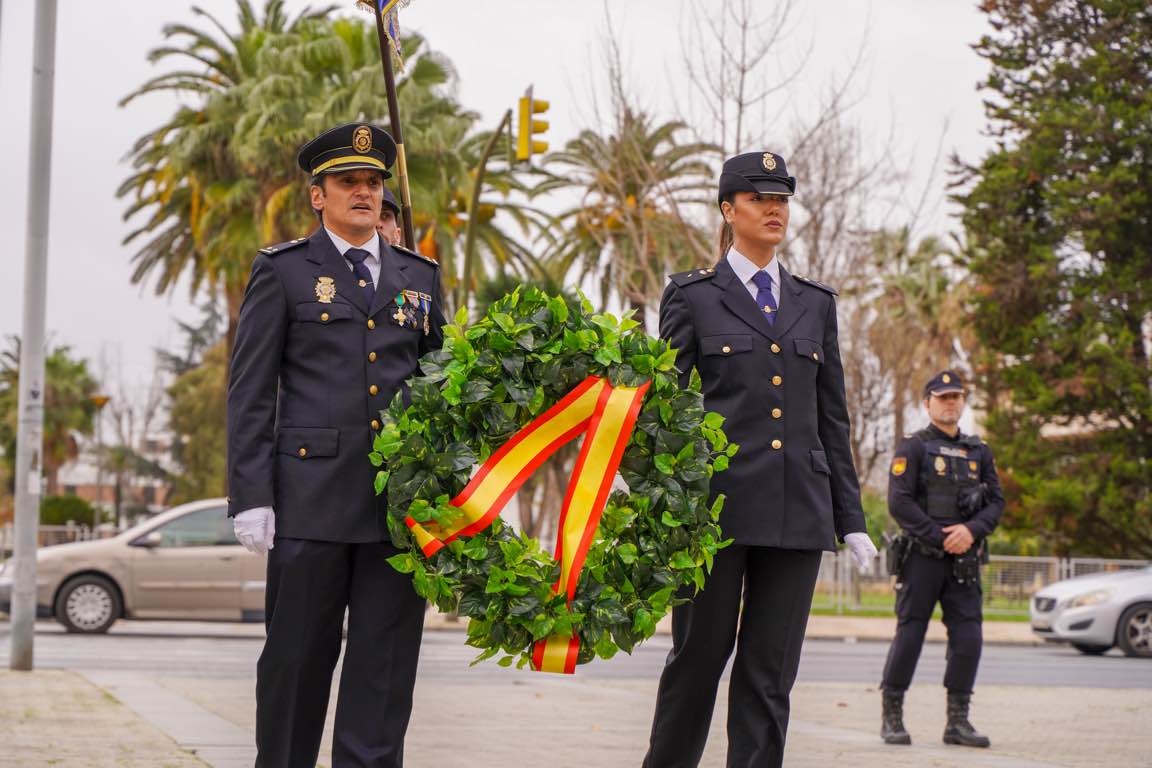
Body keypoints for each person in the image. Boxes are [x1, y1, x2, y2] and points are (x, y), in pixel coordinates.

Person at [643, 151, 878, 768]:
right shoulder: (692, 298)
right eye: (758, 198)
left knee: (769, 678)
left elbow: (832, 417)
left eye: (782, 199)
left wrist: (849, 518)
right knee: (697, 663)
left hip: (798, 513)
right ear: (728, 210)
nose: (775, 209)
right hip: (714, 515)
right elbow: (666, 411)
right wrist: (663, 510)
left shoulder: (815, 303)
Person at [227, 122, 446, 767]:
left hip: (396, 511)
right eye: (348, 182)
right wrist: (251, 495)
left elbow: (440, 387)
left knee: (383, 674)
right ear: (317, 195)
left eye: (374, 182)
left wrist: (445, 488)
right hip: (309, 504)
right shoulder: (285, 271)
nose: (364, 193)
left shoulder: (420, 277)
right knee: (296, 664)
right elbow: (250, 391)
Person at [879, 370, 1004, 749]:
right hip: (922, 557)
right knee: (910, 635)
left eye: (956, 396)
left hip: (964, 559)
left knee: (969, 639)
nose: (950, 402)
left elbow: (997, 501)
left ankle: (958, 722)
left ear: (963, 401)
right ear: (928, 403)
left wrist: (971, 531)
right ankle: (892, 717)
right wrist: (939, 536)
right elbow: (899, 502)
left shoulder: (978, 451)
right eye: (943, 397)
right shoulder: (914, 447)